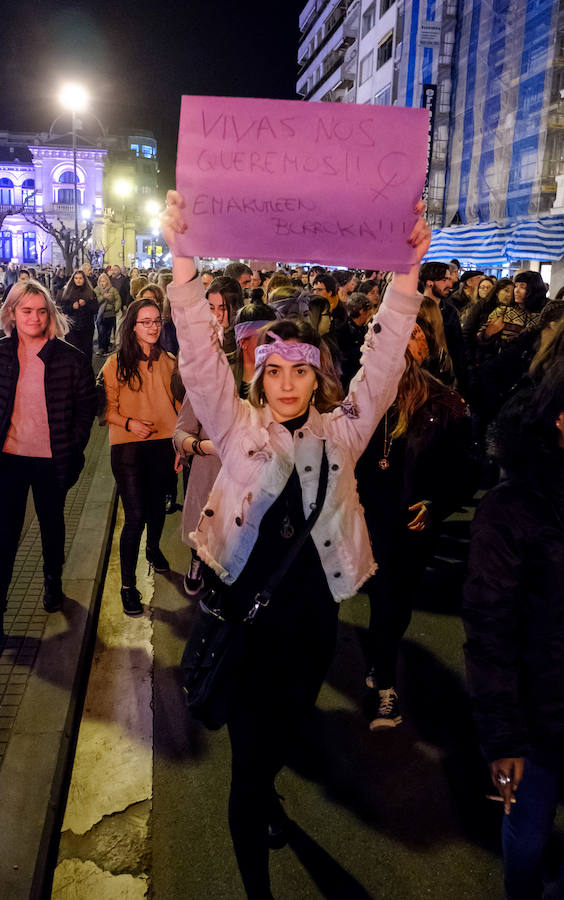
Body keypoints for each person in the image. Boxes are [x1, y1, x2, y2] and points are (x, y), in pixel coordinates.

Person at [162, 188, 430, 900]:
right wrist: (183, 258)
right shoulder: (238, 427)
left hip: (312, 634)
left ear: (317, 376)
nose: (286, 384)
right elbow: (196, 358)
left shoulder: (341, 434)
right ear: (258, 377)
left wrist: (406, 277)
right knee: (248, 772)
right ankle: (256, 885)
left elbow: (384, 366)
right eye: (274, 372)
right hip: (247, 632)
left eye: (301, 371)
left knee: (279, 746)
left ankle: (269, 794)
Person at [462, 363, 564, 900]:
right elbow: (488, 628)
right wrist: (503, 737)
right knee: (526, 845)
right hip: (538, 719)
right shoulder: (512, 508)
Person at [356, 327, 472, 728]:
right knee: (382, 597)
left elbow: (465, 470)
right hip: (367, 518)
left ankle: (383, 671)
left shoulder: (444, 402)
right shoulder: (361, 399)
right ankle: (382, 668)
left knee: (395, 599)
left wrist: (436, 503)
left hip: (412, 523)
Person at [0, 280, 96, 645]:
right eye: (26, 311)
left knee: (51, 525)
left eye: (42, 311)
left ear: (50, 314)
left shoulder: (71, 358)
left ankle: (52, 581)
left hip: (51, 460)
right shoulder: (3, 354)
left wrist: (72, 446)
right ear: (12, 313)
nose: (35, 318)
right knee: (4, 535)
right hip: (8, 459)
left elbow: (86, 408)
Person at [101, 298, 179, 616]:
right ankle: (128, 586)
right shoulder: (115, 363)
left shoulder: (170, 361)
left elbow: (180, 408)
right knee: (134, 517)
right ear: (132, 327)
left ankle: (154, 547)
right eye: (145, 322)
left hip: (163, 444)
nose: (153, 327)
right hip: (128, 447)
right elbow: (106, 408)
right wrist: (130, 423)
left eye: (157, 320)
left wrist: (181, 446)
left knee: (158, 510)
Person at [60, 269, 99, 359]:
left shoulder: (90, 292)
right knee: (73, 352)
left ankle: (87, 371)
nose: (78, 280)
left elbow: (95, 309)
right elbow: (63, 308)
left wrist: (86, 304)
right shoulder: (68, 292)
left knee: (86, 351)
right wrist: (72, 307)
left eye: (80, 278)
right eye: (76, 278)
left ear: (84, 279)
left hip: (87, 327)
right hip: (72, 327)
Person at [95, 272, 122, 355]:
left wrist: (116, 308)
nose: (103, 283)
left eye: (104, 281)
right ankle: (101, 348)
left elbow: (118, 300)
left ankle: (106, 348)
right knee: (101, 332)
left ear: (107, 281)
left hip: (110, 314)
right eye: (101, 281)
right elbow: (96, 301)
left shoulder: (113, 290)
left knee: (108, 333)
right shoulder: (96, 290)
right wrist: (104, 297)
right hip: (100, 314)